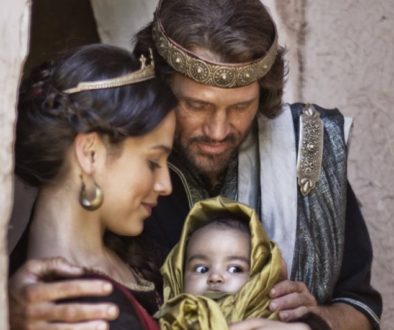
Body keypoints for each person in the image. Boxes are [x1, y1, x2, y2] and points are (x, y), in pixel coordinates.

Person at [8, 0, 382, 329]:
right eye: (197, 106)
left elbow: (361, 305)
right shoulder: (121, 175)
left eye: (240, 107)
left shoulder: (305, 149)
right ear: (160, 89)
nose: (218, 130)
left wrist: (314, 323)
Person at [9, 43, 178, 330]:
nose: (166, 185)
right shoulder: (81, 313)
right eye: (153, 161)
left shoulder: (125, 252)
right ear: (90, 153)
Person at [157, 196, 329, 330]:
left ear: (261, 276)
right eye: (201, 268)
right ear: (177, 275)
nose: (215, 277)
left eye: (235, 268)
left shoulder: (278, 323)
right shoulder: (168, 321)